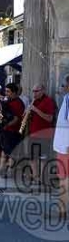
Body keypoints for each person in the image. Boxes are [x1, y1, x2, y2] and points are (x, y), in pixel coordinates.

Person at [28, 84, 56, 184]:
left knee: (43, 158)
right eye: (33, 91)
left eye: (36, 91)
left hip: (44, 135)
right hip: (33, 133)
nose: (34, 93)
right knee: (32, 158)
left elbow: (50, 118)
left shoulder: (48, 101)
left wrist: (35, 109)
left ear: (43, 90)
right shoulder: (35, 101)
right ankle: (36, 178)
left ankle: (43, 179)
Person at [50, 75, 69, 219]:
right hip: (63, 146)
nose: (62, 87)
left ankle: (62, 210)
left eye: (64, 84)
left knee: (64, 179)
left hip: (66, 147)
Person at [0, 83, 25, 177]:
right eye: (5, 91)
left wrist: (6, 126)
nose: (6, 93)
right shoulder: (9, 101)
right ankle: (2, 171)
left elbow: (16, 119)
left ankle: (9, 172)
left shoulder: (17, 103)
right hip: (7, 131)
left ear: (14, 92)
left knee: (11, 153)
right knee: (4, 151)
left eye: (8, 91)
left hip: (13, 132)